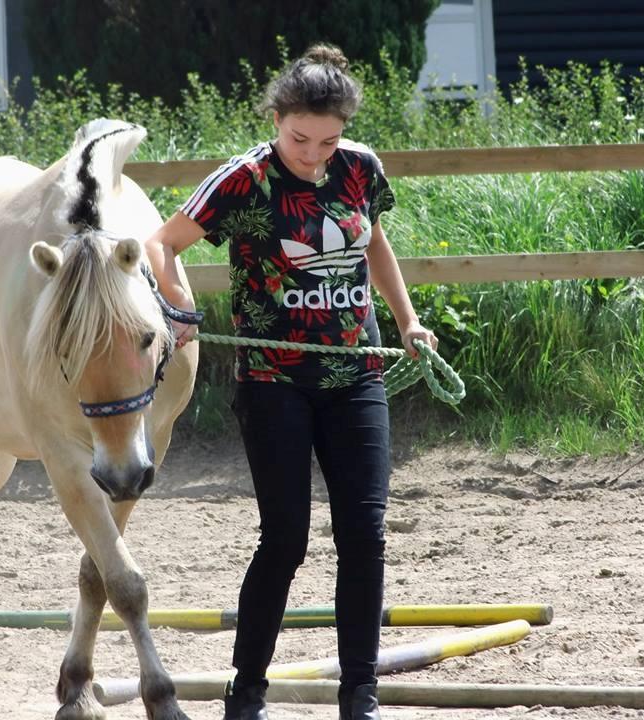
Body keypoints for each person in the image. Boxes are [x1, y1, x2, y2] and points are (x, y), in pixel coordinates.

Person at [145, 43, 438, 720]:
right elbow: (164, 244)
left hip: (356, 374)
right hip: (275, 379)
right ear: (277, 120)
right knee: (286, 538)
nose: (313, 155)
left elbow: (374, 241)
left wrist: (408, 320)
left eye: (327, 141)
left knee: (364, 533)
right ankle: (246, 692)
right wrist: (178, 306)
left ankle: (358, 694)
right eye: (300, 139)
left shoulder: (360, 168)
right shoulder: (243, 179)